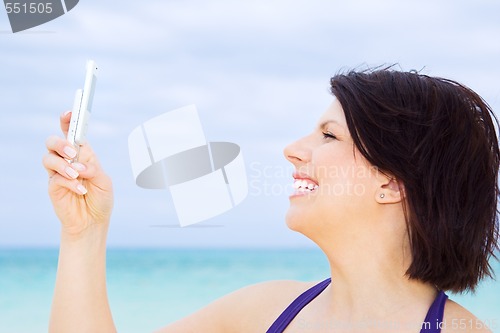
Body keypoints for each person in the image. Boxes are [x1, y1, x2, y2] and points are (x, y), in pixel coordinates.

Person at [43, 67, 499, 333]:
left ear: (394, 183)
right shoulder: (262, 311)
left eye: (328, 135)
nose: (293, 149)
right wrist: (84, 231)